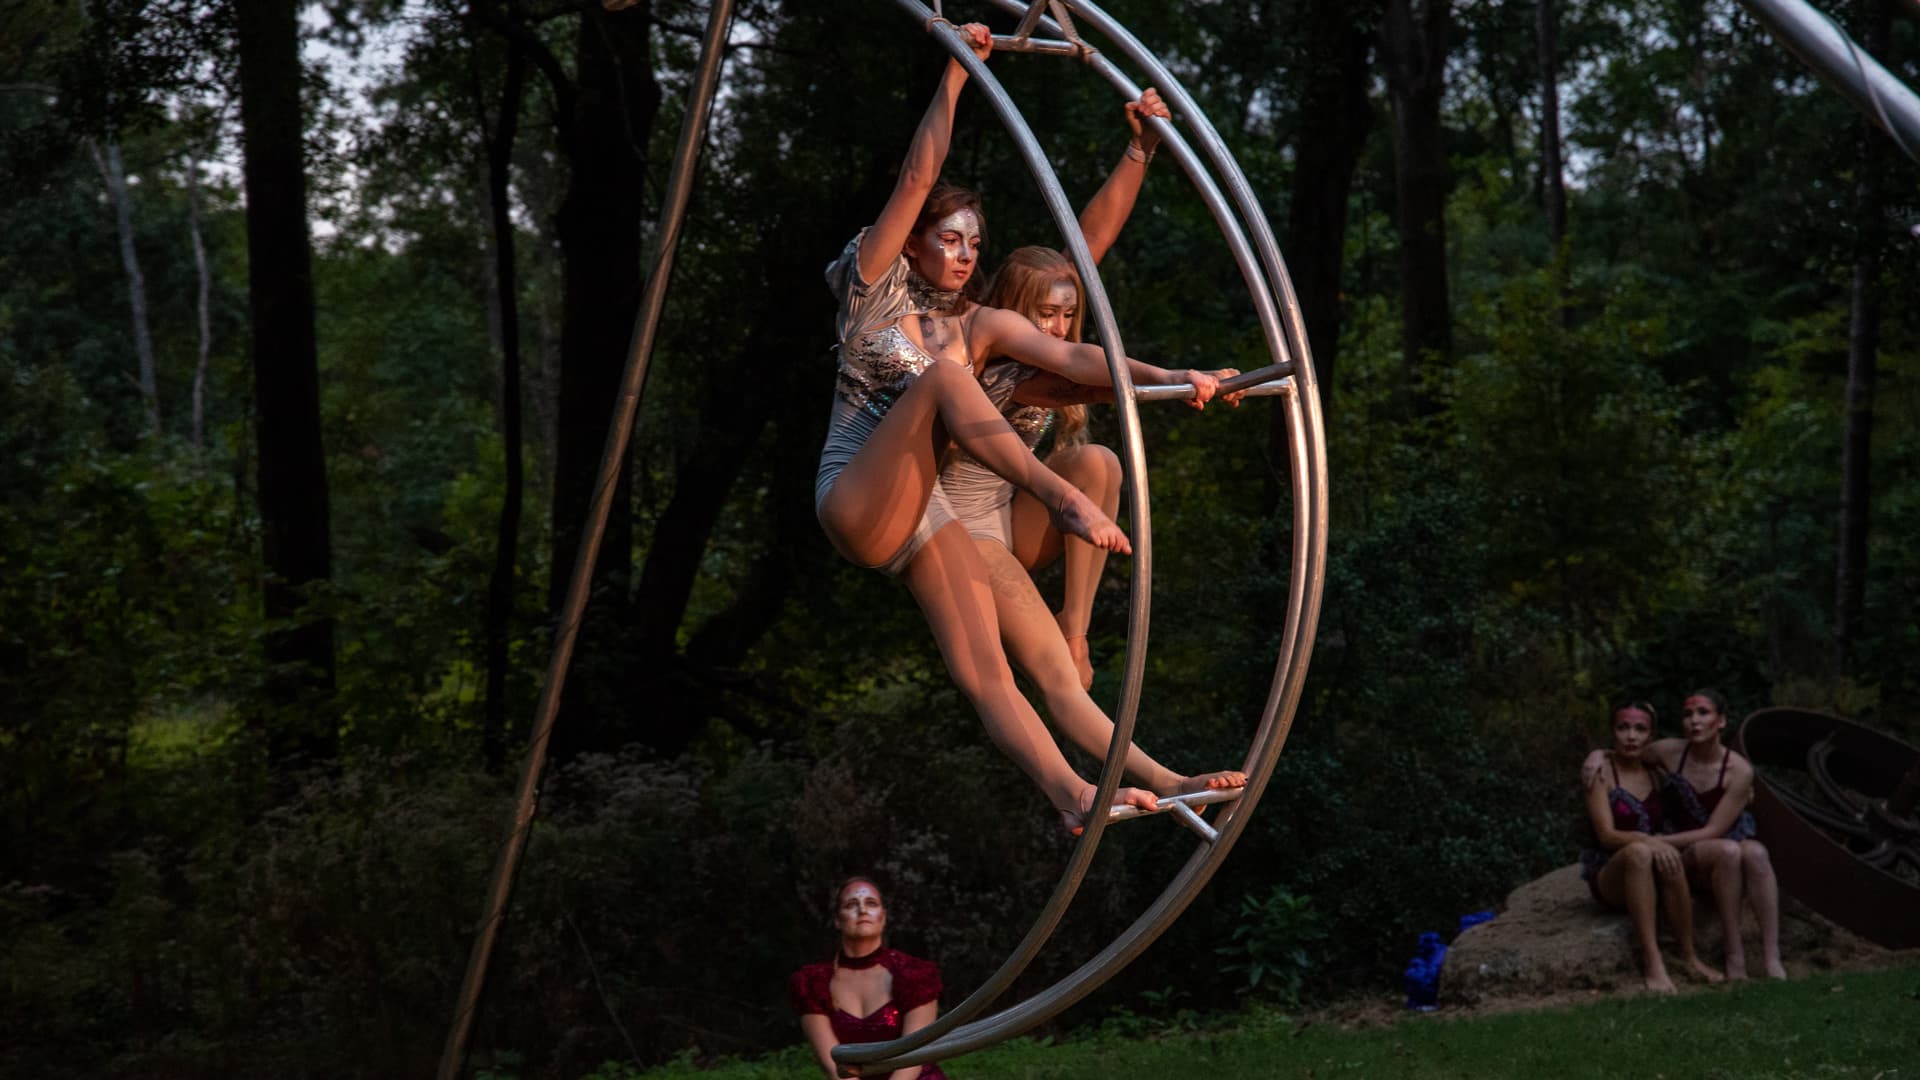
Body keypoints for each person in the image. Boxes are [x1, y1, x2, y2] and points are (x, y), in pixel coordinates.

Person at [816, 25, 1229, 830]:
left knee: (1000, 674)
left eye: (976, 244)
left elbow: (1080, 355)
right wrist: (956, 76)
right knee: (945, 382)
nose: (965, 255)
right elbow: (917, 175)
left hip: (935, 520)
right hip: (856, 496)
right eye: (949, 239)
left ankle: (1101, 789)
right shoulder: (873, 287)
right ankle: (1062, 500)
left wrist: (1180, 380)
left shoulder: (982, 325)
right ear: (915, 245)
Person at [937, 92, 1246, 801]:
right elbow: (1096, 382)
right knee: (1039, 676)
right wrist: (1176, 381)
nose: (1059, 324)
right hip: (966, 531)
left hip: (1020, 521)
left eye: (1067, 315)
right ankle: (1145, 779)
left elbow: (1088, 246)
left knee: (1098, 462)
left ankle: (1081, 637)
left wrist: (1138, 150)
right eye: (1045, 314)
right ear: (1016, 313)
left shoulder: (1049, 348)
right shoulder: (999, 358)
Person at [1580, 701, 1722, 992]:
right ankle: (1653, 960)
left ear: (1650, 736)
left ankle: (1689, 956)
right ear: (1612, 732)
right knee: (1642, 851)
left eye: (1640, 729)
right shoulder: (1601, 773)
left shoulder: (1656, 773)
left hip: (1651, 871)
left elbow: (1703, 765)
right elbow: (1606, 835)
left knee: (1667, 856)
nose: (1631, 736)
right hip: (1612, 874)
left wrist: (1747, 790)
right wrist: (1648, 841)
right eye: (1623, 728)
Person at [1645, 689, 1786, 979]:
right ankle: (1735, 956)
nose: (1694, 721)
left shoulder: (1738, 770)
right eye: (1688, 714)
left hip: (1716, 840)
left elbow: (1714, 830)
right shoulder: (1668, 751)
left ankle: (1773, 957)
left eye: (1703, 713)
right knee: (1729, 851)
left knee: (1757, 853)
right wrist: (1598, 755)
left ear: (1720, 721)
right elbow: (1626, 753)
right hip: (1684, 851)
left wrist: (1657, 841)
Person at [790, 877, 944, 1080]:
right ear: (838, 919)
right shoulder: (813, 983)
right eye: (851, 905)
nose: (862, 910)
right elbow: (833, 1064)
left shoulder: (913, 974)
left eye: (871, 903)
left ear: (883, 916)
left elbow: (913, 1059)